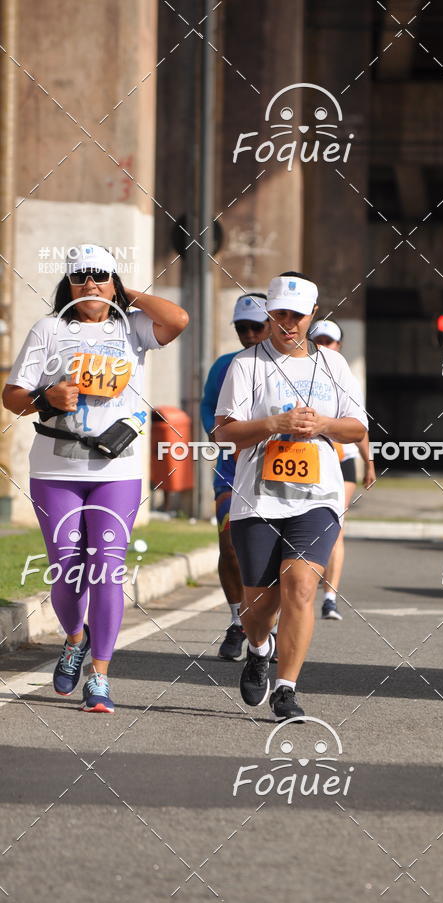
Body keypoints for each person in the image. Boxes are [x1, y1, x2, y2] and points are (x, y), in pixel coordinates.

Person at [2, 244, 188, 713]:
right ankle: (74, 638)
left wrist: (129, 294)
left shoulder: (133, 328)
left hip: (117, 471)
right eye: (82, 277)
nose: (91, 284)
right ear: (68, 283)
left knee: (106, 569)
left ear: (114, 282)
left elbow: (178, 319)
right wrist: (47, 398)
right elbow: (12, 396)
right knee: (67, 569)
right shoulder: (49, 329)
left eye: (101, 276)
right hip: (55, 469)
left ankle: (100, 675)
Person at [214, 272, 367, 721]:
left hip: (316, 496)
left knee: (300, 586)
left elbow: (357, 428)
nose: (287, 324)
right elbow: (224, 431)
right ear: (269, 314)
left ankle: (286, 688)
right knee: (258, 608)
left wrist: (321, 425)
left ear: (312, 315)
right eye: (279, 314)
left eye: (296, 316)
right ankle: (260, 649)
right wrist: (274, 425)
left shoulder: (334, 366)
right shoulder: (246, 365)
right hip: (258, 499)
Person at [201, 292, 271, 661]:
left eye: (255, 327)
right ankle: (237, 621)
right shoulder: (225, 365)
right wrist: (225, 438)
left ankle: (268, 625)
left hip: (279, 475)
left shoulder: (293, 365)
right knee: (229, 546)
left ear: (272, 324)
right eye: (241, 328)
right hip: (232, 472)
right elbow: (208, 410)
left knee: (270, 556)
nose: (248, 334)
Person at [308, 318, 376, 620]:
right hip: (303, 459)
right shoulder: (295, 370)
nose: (323, 346)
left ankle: (330, 597)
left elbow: (358, 424)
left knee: (334, 527)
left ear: (339, 346)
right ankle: (302, 587)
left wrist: (369, 461)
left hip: (341, 459)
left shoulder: (344, 375)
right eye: (318, 340)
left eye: (329, 341)